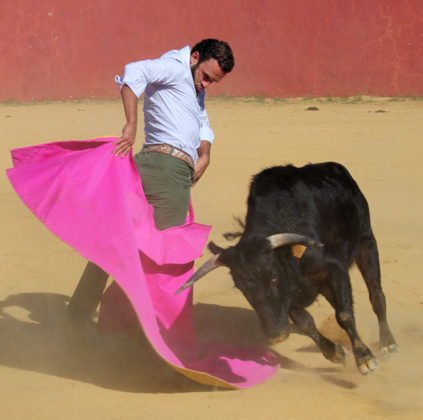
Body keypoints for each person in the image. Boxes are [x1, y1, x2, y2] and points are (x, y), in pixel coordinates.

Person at [67, 39, 235, 330]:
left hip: (149, 167)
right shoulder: (174, 68)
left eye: (213, 81)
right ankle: (140, 330)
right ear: (194, 57)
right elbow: (134, 71)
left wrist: (205, 152)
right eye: (206, 76)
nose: (206, 84)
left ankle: (79, 314)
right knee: (166, 258)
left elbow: (201, 118)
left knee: (117, 243)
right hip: (167, 175)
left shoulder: (192, 82)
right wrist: (130, 123)